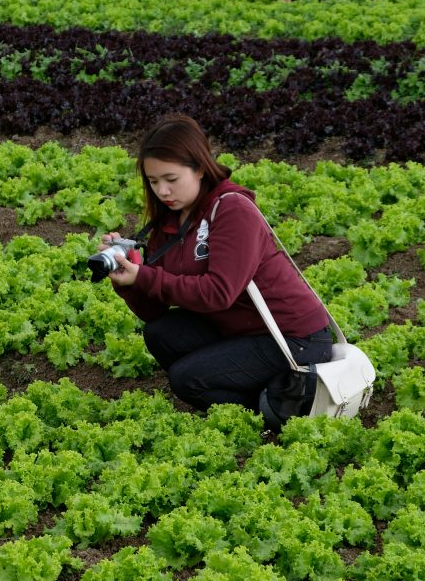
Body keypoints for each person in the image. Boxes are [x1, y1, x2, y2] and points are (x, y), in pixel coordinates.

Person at [99, 114, 332, 414]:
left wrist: (146, 276)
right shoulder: (169, 220)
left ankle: (272, 406)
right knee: (160, 334)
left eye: (171, 179)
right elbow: (153, 311)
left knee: (187, 379)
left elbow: (219, 292)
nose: (162, 192)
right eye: (153, 181)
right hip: (238, 326)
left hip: (294, 337)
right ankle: (255, 385)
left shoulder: (233, 209)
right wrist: (128, 278)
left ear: (199, 168)